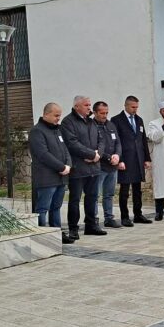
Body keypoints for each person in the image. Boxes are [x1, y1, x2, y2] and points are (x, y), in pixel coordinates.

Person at [61, 95, 106, 239]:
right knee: (75, 199)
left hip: (94, 167)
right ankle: (73, 228)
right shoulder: (68, 122)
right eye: (86, 105)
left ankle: (91, 225)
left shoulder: (91, 121)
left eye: (89, 105)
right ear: (77, 107)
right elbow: (72, 143)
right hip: (78, 168)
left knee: (92, 197)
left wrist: (97, 154)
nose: (89, 107)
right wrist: (91, 154)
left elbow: (101, 140)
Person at [29, 102, 73, 244]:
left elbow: (65, 150)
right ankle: (42, 235)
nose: (58, 118)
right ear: (46, 114)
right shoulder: (37, 131)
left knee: (56, 207)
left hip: (60, 177)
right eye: (56, 115)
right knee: (43, 208)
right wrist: (61, 167)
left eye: (59, 115)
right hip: (46, 178)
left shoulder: (57, 130)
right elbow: (43, 154)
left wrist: (68, 165)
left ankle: (57, 233)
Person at [112, 95, 152, 226]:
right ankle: (124, 217)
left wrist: (147, 158)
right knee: (124, 190)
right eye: (133, 107)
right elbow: (116, 142)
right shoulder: (116, 120)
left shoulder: (139, 120)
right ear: (126, 106)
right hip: (125, 159)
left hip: (138, 158)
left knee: (137, 189)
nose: (135, 110)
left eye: (137, 107)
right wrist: (120, 160)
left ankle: (138, 214)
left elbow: (143, 140)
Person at [92, 101, 123, 228]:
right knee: (95, 195)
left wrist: (117, 155)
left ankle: (109, 218)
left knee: (109, 194)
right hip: (100, 166)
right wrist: (109, 157)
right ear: (95, 113)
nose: (105, 115)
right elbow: (95, 146)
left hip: (113, 166)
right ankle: (93, 220)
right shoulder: (91, 126)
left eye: (106, 113)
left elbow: (118, 143)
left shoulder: (111, 125)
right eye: (102, 113)